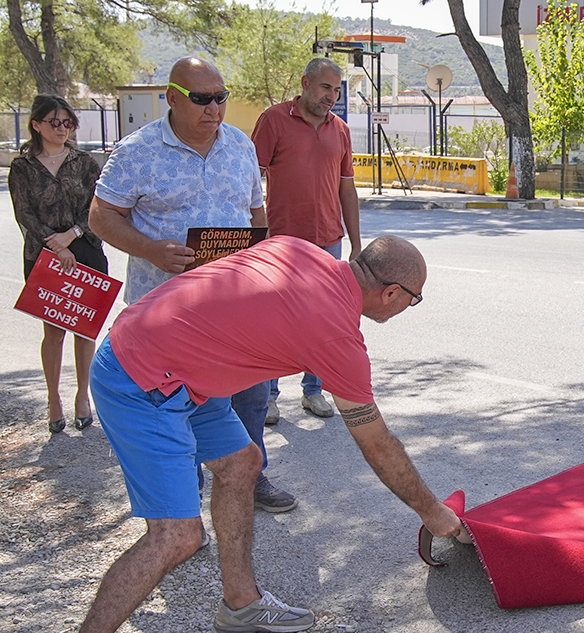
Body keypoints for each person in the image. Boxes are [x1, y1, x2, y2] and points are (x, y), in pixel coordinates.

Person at [78, 234, 463, 633]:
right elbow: (378, 446)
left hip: (174, 361)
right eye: (413, 299)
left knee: (242, 464)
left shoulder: (301, 249)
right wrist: (432, 512)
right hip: (139, 376)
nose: (409, 307)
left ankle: (241, 605)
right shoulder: (335, 335)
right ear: (391, 294)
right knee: (177, 537)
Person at [90, 57, 298, 514]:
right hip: (166, 319)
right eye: (201, 99)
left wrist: (260, 260)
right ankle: (183, 503)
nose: (214, 108)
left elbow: (256, 215)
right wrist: (150, 250)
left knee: (249, 394)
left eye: (220, 98)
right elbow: (100, 216)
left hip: (236, 310)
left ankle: (251, 476)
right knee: (177, 408)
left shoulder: (240, 147)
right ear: (172, 97)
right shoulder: (136, 151)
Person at [252, 57, 361, 423]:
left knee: (320, 320)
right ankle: (267, 396)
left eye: (336, 89)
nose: (331, 96)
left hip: (328, 241)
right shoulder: (274, 120)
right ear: (305, 83)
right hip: (280, 242)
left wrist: (357, 244)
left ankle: (313, 391)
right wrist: (256, 234)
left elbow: (348, 189)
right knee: (273, 321)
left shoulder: (341, 130)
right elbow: (249, 181)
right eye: (325, 87)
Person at [8, 95, 108, 434]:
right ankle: (54, 398)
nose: (62, 128)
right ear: (37, 125)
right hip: (43, 254)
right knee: (54, 331)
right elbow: (24, 214)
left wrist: (73, 235)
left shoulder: (85, 163)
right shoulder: (22, 168)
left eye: (68, 122)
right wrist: (56, 244)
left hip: (87, 249)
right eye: (55, 122)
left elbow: (99, 206)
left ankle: (83, 396)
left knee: (85, 329)